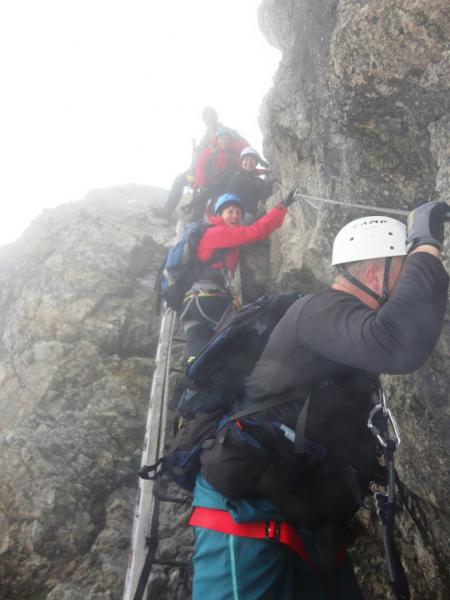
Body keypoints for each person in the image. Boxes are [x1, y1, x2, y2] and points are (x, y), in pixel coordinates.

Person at [189, 202, 450, 599]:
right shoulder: (319, 310)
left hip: (303, 513)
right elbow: (398, 342)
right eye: (404, 269)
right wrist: (425, 245)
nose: (405, 287)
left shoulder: (344, 323)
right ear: (374, 272)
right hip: (247, 508)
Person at [180, 192, 293, 359]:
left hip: (190, 306)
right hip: (209, 299)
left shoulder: (209, 235)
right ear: (219, 214)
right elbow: (255, 232)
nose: (235, 215)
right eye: (230, 211)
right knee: (244, 341)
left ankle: (196, 375)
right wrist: (280, 207)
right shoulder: (220, 232)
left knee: (198, 358)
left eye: (239, 213)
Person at [164, 108, 246, 219]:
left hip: (216, 173)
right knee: (179, 180)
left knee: (203, 194)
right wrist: (191, 170)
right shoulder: (207, 135)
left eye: (210, 115)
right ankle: (168, 211)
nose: (208, 119)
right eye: (206, 117)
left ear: (216, 116)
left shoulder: (227, 132)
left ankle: (196, 219)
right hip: (197, 170)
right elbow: (199, 156)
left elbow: (243, 146)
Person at [190, 146, 274, 224]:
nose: (249, 162)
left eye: (252, 160)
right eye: (246, 159)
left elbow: (266, 200)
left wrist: (270, 186)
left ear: (256, 163)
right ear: (242, 161)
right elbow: (213, 188)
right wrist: (193, 203)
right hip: (224, 212)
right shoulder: (232, 174)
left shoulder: (259, 182)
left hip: (243, 217)